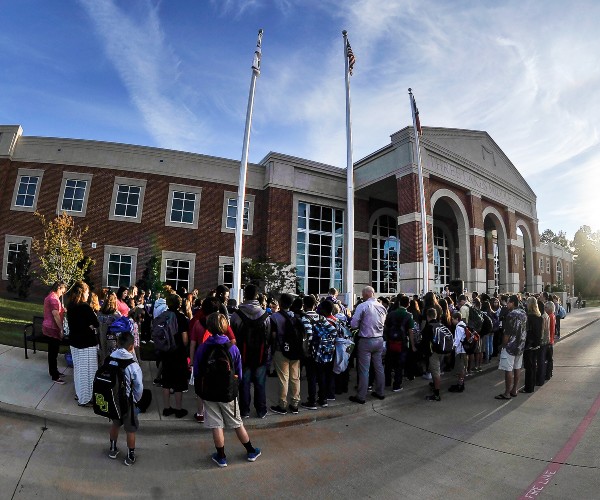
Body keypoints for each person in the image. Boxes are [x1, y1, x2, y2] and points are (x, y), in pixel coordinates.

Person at [193, 312, 261, 467]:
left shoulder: (203, 347)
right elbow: (239, 371)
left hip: (209, 391)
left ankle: (221, 456)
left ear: (209, 327)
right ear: (225, 327)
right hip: (227, 391)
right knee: (237, 422)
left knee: (216, 424)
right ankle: (250, 450)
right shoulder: (232, 348)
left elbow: (197, 371)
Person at [230, 284, 271, 419]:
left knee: (244, 383)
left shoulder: (236, 315)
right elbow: (268, 336)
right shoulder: (265, 315)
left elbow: (233, 336)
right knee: (260, 384)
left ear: (245, 295)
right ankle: (261, 410)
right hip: (261, 355)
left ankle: (244, 410)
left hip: (243, 355)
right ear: (257, 296)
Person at [108, 331, 143, 466]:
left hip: (113, 399)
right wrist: (136, 399)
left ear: (117, 343)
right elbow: (138, 386)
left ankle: (112, 449)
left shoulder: (110, 358)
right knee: (130, 429)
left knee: (115, 423)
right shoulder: (132, 365)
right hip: (128, 402)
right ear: (131, 346)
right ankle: (130, 455)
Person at [349, 286, 387, 404]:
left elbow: (354, 324)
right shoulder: (382, 307)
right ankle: (380, 392)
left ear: (366, 294)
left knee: (364, 370)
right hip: (379, 339)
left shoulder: (363, 306)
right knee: (379, 367)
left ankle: (361, 396)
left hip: (366, 339)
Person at [66, 281, 99, 406]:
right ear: (82, 292)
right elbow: (95, 323)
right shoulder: (84, 307)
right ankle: (85, 399)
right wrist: (89, 326)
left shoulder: (71, 306)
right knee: (88, 372)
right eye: (87, 292)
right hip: (86, 344)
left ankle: (79, 393)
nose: (88, 295)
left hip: (74, 342)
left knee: (78, 370)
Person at [269, 293, 302, 415]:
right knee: (295, 377)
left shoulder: (274, 317)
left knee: (284, 378)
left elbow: (272, 335)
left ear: (280, 303)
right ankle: (295, 404)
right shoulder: (296, 316)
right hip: (295, 350)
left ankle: (282, 405)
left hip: (281, 350)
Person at [161, 293, 189, 418]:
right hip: (178, 353)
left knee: (166, 381)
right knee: (179, 382)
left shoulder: (163, 316)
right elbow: (184, 339)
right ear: (179, 304)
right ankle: (178, 409)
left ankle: (166, 408)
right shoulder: (181, 318)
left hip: (166, 351)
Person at [495, 295, 527, 400]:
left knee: (508, 369)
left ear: (512, 303)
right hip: (520, 345)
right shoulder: (523, 313)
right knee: (517, 368)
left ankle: (507, 393)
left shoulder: (511, 315)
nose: (507, 304)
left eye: (508, 302)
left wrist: (503, 345)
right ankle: (514, 390)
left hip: (510, 346)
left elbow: (507, 333)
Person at [383, 294, 414, 392]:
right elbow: (410, 331)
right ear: (408, 304)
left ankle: (387, 381)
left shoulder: (391, 313)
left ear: (399, 303)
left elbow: (385, 326)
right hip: (402, 342)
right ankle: (397, 384)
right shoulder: (409, 315)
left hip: (391, 340)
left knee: (388, 362)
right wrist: (412, 345)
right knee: (399, 364)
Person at [42, 281, 67, 384]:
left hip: (50, 327)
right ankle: (54, 376)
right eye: (62, 290)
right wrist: (61, 329)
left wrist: (63, 310)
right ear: (58, 288)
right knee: (53, 352)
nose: (63, 293)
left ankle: (54, 371)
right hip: (52, 328)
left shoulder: (52, 297)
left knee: (53, 352)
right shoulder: (53, 299)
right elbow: (55, 315)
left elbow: (57, 311)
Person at [521, 296, 542, 393]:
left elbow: (527, 332)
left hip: (529, 344)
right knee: (533, 365)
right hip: (537, 343)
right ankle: (531, 385)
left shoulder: (529, 317)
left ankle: (528, 387)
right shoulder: (539, 317)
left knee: (529, 367)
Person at [97, 292, 122, 364]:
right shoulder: (116, 315)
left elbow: (97, 329)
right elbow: (119, 331)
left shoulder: (99, 314)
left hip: (102, 339)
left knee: (104, 360)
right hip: (113, 342)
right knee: (113, 362)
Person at [448, 312, 467, 393]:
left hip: (460, 351)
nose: (452, 321)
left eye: (452, 319)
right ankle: (461, 383)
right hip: (464, 350)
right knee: (462, 368)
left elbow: (457, 340)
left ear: (457, 319)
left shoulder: (458, 327)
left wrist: (452, 348)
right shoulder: (464, 325)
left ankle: (460, 385)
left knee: (460, 368)